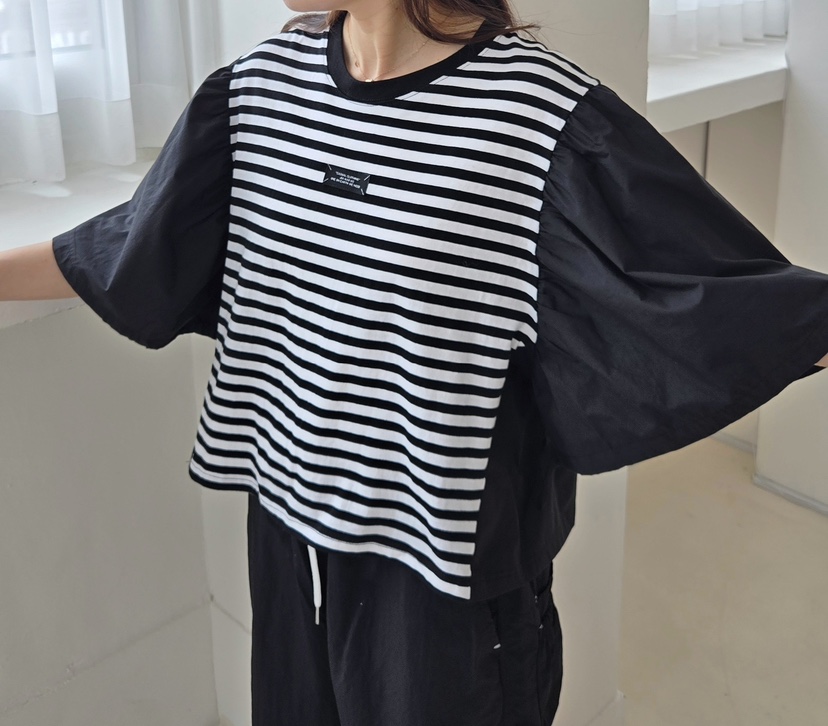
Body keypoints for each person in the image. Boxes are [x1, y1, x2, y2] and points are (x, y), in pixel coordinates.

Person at [1, 0, 827, 724]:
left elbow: (705, 301)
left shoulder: (538, 118)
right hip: (289, 531)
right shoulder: (257, 93)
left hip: (441, 570)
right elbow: (131, 242)